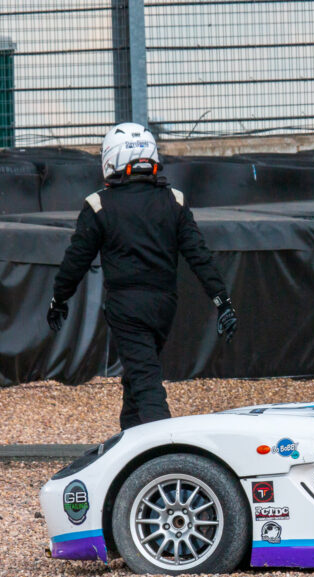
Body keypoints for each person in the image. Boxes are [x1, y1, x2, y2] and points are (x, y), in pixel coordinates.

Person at [47, 122, 238, 430]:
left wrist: (59, 299)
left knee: (146, 383)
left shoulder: (99, 205)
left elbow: (75, 261)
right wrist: (223, 301)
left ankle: (163, 455)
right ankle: (130, 444)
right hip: (164, 306)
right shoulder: (173, 201)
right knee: (138, 376)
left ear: (112, 160)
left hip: (127, 307)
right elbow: (199, 256)